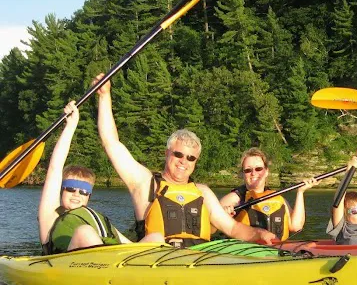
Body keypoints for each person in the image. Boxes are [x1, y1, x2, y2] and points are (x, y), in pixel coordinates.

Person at [95, 77, 275, 247]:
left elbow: (233, 228)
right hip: (157, 261)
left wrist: (259, 234)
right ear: (167, 153)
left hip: (197, 261)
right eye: (178, 154)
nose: (183, 161)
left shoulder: (202, 192)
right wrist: (104, 96)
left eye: (190, 158)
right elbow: (111, 143)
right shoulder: (145, 184)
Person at [38, 100, 159, 255]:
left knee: (156, 237)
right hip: (67, 263)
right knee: (85, 232)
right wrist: (71, 126)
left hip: (110, 261)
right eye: (70, 189)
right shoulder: (50, 214)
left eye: (83, 191)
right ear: (62, 190)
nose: (76, 194)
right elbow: (55, 168)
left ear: (89, 196)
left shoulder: (94, 219)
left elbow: (128, 245)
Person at [219, 148, 318, 241]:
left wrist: (300, 192)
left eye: (258, 169)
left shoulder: (277, 198)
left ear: (266, 172)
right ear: (242, 174)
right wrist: (224, 217)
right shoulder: (233, 199)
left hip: (276, 251)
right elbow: (211, 226)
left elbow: (296, 226)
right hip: (243, 253)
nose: (253, 173)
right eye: (248, 170)